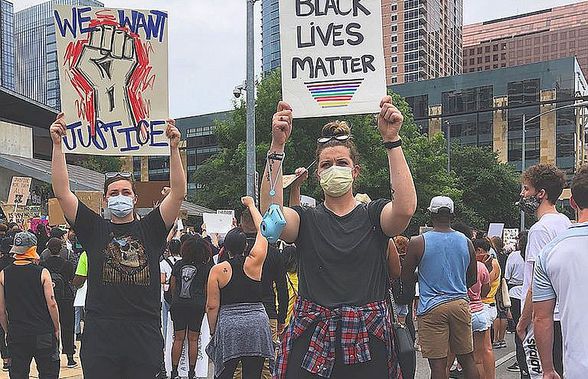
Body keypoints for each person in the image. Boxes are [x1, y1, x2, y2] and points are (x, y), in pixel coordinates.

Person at [262, 97, 415, 378]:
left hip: (369, 340)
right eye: (326, 164)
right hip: (313, 340)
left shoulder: (374, 215)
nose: (334, 168)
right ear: (318, 173)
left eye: (342, 162)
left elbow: (405, 209)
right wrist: (277, 147)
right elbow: (272, 215)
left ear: (354, 171)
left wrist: (392, 140)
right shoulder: (305, 219)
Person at [50, 113, 186, 378]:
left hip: (143, 333)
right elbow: (63, 192)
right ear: (104, 200)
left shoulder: (152, 228)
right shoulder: (93, 228)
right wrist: (57, 146)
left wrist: (174, 148)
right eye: (113, 193)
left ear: (135, 199)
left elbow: (179, 193)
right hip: (101, 334)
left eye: (125, 192)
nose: (119, 197)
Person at [400, 196, 478, 379]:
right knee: (467, 359)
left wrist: (426, 278)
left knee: (438, 365)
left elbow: (405, 276)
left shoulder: (418, 241)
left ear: (430, 214)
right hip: (459, 304)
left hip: (431, 306)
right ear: (452, 215)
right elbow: (472, 277)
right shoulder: (466, 242)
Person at [206, 197, 274, 379]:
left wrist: (214, 331)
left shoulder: (218, 270)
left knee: (226, 373)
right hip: (257, 323)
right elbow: (263, 230)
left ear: (225, 247)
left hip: (229, 325)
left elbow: (212, 306)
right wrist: (252, 206)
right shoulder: (254, 263)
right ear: (246, 245)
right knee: (253, 374)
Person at [533, 165, 588, 378]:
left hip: (577, 368)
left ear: (573, 202)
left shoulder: (549, 252)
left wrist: (547, 369)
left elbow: (542, 319)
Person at [516, 164, 570, 378]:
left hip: (540, 319)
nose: (522, 194)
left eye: (526, 189)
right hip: (560, 317)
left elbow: (535, 284)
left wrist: (522, 323)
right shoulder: (565, 222)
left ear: (541, 193)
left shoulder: (539, 230)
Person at [0, 231, 60, 378]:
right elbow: (52, 303)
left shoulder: (3, 274)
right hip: (43, 332)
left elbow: (1, 310)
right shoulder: (42, 273)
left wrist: (8, 331)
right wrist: (56, 328)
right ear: (33, 249)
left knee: (18, 374)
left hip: (18, 333)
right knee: (48, 372)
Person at [238, 206, 288, 379]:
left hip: (238, 311)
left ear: (241, 223)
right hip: (267, 310)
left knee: (237, 360)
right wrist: (281, 317)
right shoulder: (274, 253)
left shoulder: (235, 251)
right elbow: (282, 288)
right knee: (267, 361)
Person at [169, 237, 212, 379]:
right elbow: (207, 290)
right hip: (197, 305)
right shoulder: (206, 268)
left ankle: (174, 372)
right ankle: (191, 373)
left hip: (179, 304)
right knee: (193, 339)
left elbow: (173, 286)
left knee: (178, 338)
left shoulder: (178, 265)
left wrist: (175, 300)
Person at [42, 237, 77, 368]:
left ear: (48, 249)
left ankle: (53, 353)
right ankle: (70, 357)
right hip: (66, 298)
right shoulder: (67, 264)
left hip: (49, 297)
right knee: (68, 326)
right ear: (61, 249)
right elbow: (72, 279)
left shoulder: (43, 264)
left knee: (51, 327)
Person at [505, 231, 529, 377]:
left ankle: (522, 363)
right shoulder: (540, 252)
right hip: (534, 294)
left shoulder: (514, 256)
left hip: (515, 293)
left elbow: (507, 276)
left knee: (519, 329)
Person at [474, 238, 498, 379]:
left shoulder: (492, 264)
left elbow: (485, 283)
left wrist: (483, 267)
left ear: (479, 251)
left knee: (485, 349)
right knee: (483, 349)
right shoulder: (488, 263)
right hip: (484, 305)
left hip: (485, 304)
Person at [161, 239, 182, 346]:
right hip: (180, 294)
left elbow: (162, 280)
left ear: (169, 249)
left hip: (167, 294)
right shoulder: (183, 261)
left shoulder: (164, 263)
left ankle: (166, 342)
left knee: (165, 319)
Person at [490, 236, 509, 349]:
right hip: (505, 284)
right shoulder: (506, 256)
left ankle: (495, 339)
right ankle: (502, 339)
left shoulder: (494, 257)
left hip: (497, 284)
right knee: (504, 312)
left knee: (497, 312)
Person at [0, 237, 13, 371]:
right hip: (14, 300)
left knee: (1, 330)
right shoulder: (15, 264)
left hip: (0, 299)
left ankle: (5, 358)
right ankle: (14, 354)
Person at [72, 251, 87, 342]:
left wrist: (75, 284)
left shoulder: (85, 254)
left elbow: (79, 277)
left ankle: (77, 331)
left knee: (77, 310)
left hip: (84, 286)